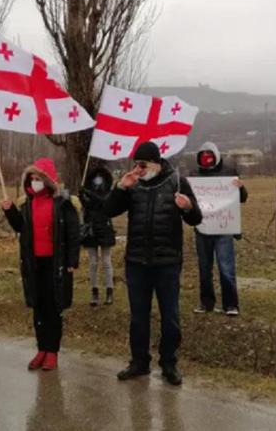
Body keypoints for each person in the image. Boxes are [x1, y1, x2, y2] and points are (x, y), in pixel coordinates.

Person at [105, 142, 203, 386]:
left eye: (143, 164)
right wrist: (120, 188)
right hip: (137, 262)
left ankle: (169, 363)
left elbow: (196, 218)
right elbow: (108, 210)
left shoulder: (177, 182)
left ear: (157, 163)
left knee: (170, 316)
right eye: (136, 164)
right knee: (138, 316)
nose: (138, 169)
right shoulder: (133, 185)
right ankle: (139, 362)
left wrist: (188, 207)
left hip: (167, 262)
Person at [1, 158, 79, 371]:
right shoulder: (27, 204)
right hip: (34, 264)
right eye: (32, 178)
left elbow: (73, 233)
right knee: (38, 308)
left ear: (48, 180)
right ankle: (41, 348)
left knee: (53, 309)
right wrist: (10, 211)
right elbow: (21, 228)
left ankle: (52, 351)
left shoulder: (62, 204)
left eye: (39, 178)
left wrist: (72, 260)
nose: (35, 182)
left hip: (56, 265)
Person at [192, 142, 248, 316]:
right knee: (204, 268)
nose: (207, 160)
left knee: (226, 268)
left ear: (216, 157)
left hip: (224, 229)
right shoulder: (194, 176)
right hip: (202, 229)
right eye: (204, 157)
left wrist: (241, 187)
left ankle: (231, 305)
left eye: (210, 157)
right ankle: (206, 303)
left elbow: (242, 198)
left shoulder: (229, 173)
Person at [79, 166, 117, 307]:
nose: (98, 180)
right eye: (96, 177)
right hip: (91, 229)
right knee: (93, 262)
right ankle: (94, 291)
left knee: (106, 261)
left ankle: (109, 290)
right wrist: (82, 196)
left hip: (105, 228)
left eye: (100, 177)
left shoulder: (108, 192)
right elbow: (88, 207)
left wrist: (88, 192)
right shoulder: (88, 191)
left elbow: (103, 202)